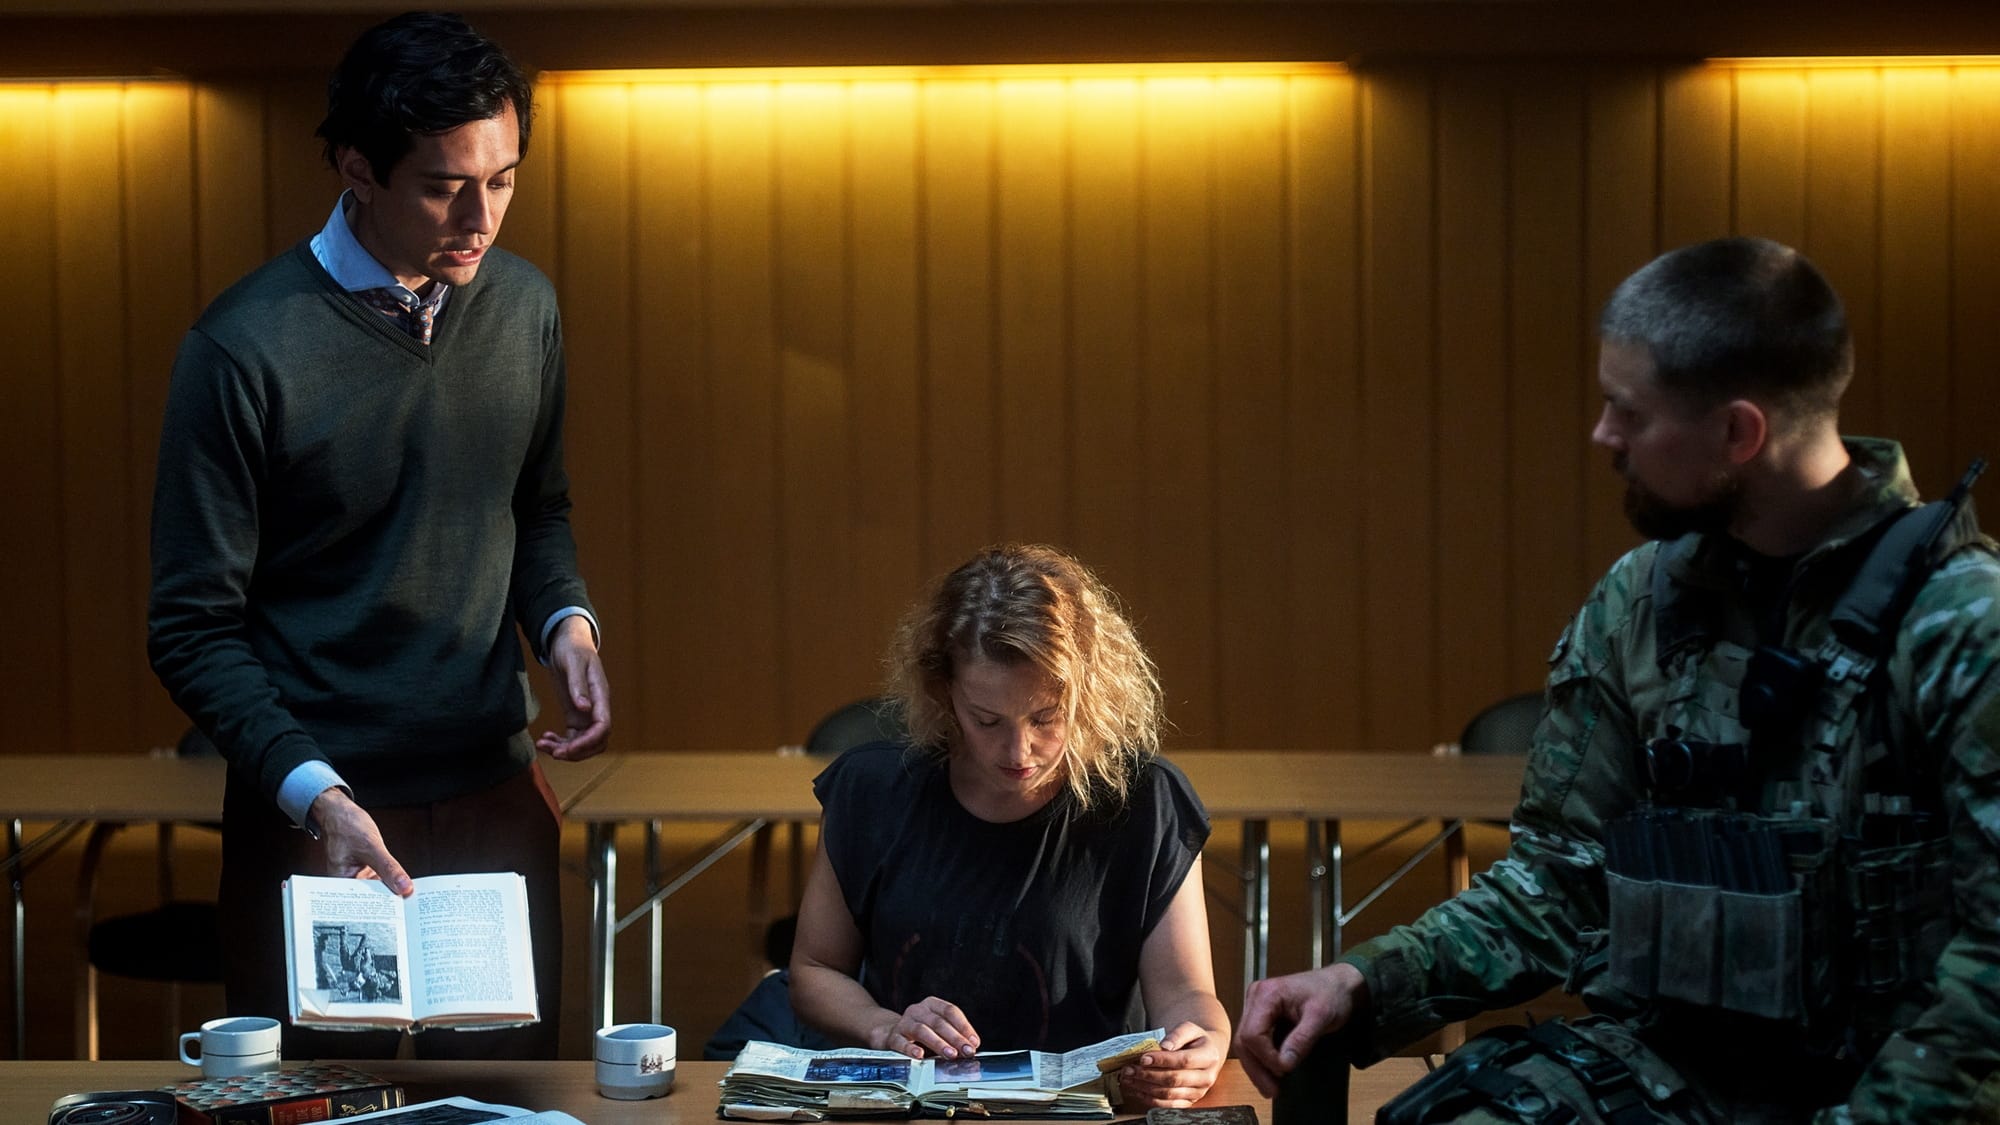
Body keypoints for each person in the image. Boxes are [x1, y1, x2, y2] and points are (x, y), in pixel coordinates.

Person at [1235, 237, 2000, 1123]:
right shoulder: (1642, 604)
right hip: (1677, 1076)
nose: (1604, 436)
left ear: (1739, 432)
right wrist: (1361, 980)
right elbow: (1558, 886)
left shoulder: (1962, 626)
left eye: (1628, 412)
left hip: (1900, 1089)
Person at [146, 11, 609, 1060]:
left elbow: (536, 507)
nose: (481, 217)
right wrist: (316, 795)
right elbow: (190, 627)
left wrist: (566, 623)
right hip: (316, 808)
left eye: (503, 179)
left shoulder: (523, 306)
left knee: (505, 1106)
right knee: (314, 1101)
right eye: (446, 186)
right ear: (357, 168)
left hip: (490, 791)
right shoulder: (242, 348)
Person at [789, 544, 1230, 1109]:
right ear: (944, 692)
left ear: (1088, 693)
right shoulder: (872, 792)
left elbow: (1187, 994)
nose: (1019, 751)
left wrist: (1203, 1045)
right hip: (916, 1112)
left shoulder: (1144, 800)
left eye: (1046, 717)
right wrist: (883, 1026)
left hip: (1084, 1114)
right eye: (987, 720)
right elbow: (814, 970)